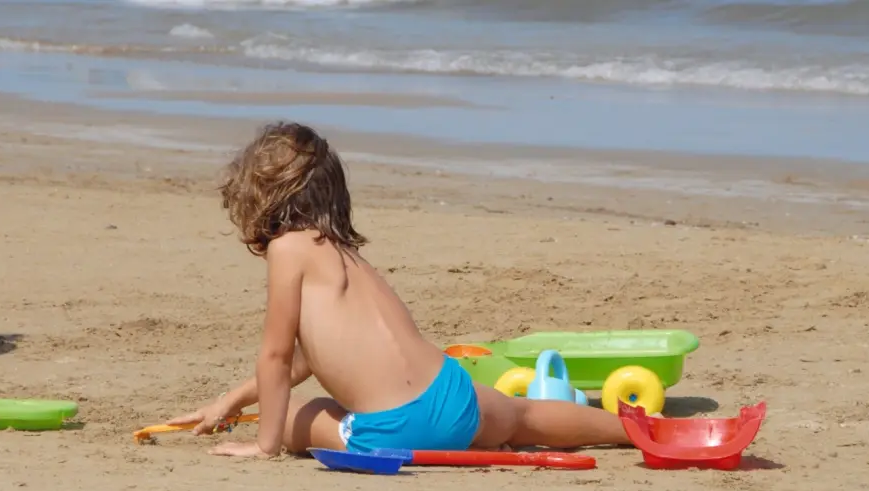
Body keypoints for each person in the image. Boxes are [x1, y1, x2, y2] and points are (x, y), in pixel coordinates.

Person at [168, 122, 629, 458]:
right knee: (526, 416)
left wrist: (265, 446)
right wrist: (229, 401)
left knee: (298, 416)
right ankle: (632, 430)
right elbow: (314, 358)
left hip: (393, 430)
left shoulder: (288, 249)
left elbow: (277, 358)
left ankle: (281, 437)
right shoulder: (348, 257)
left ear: (256, 194)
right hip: (453, 400)